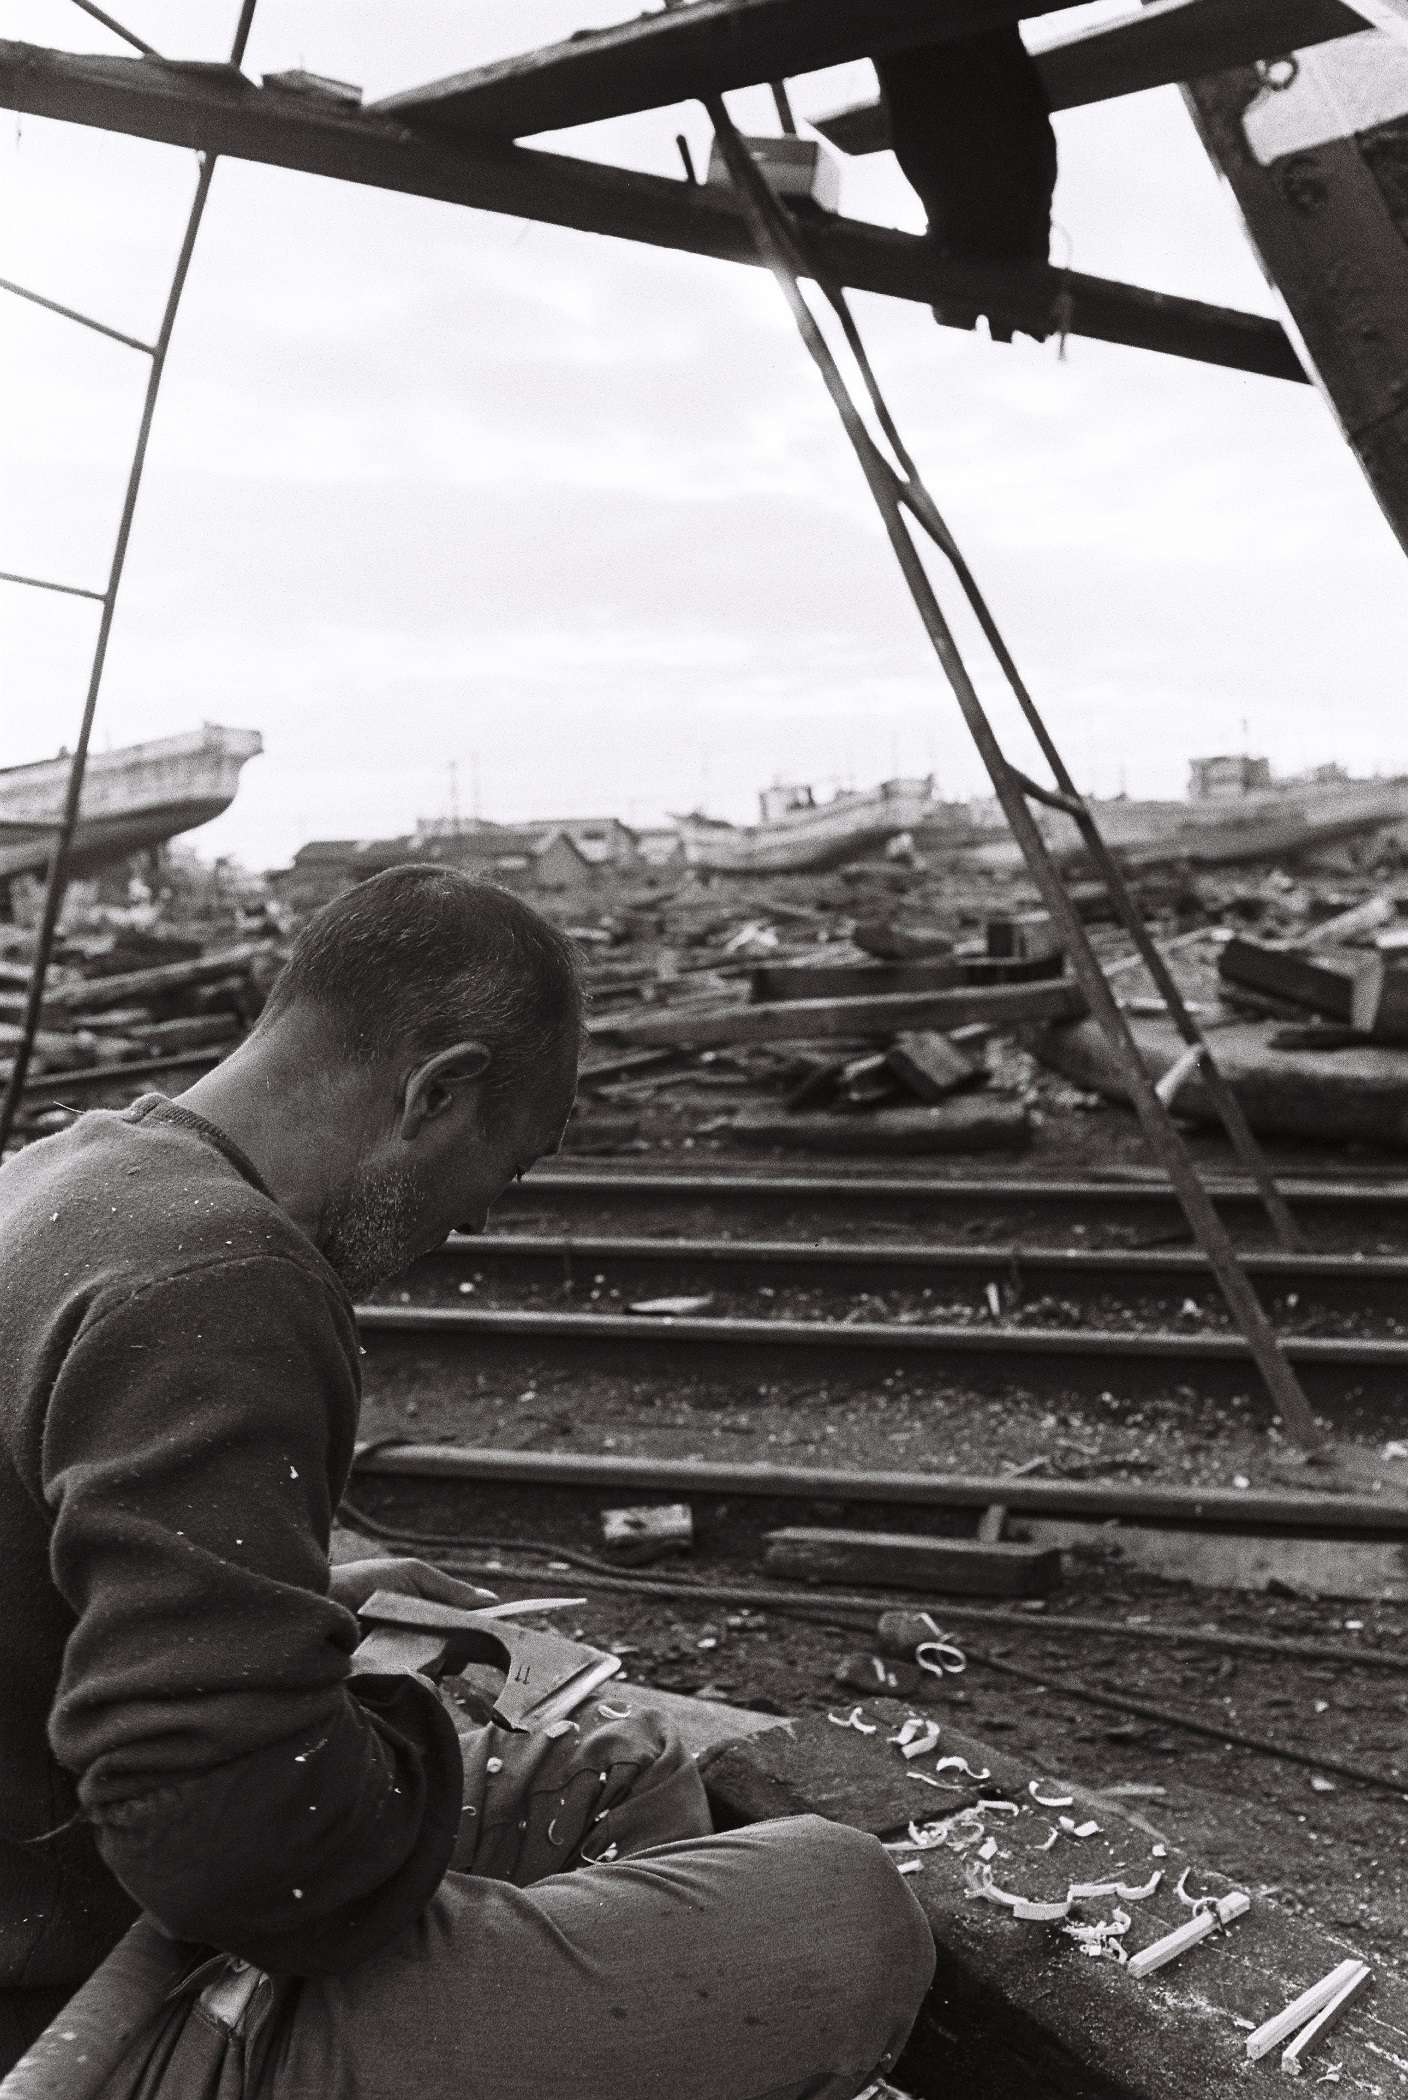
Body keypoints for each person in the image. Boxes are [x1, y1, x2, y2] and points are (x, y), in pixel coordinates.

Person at [0, 865, 933, 2098]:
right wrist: (390, 1731)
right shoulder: (222, 1280)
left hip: (51, 1860)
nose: (487, 1220)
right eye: (512, 1161)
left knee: (619, 1769)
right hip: (66, 2005)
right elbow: (225, 1843)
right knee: (843, 1913)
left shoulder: (68, 1178)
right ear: (437, 1092)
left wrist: (305, 1601)